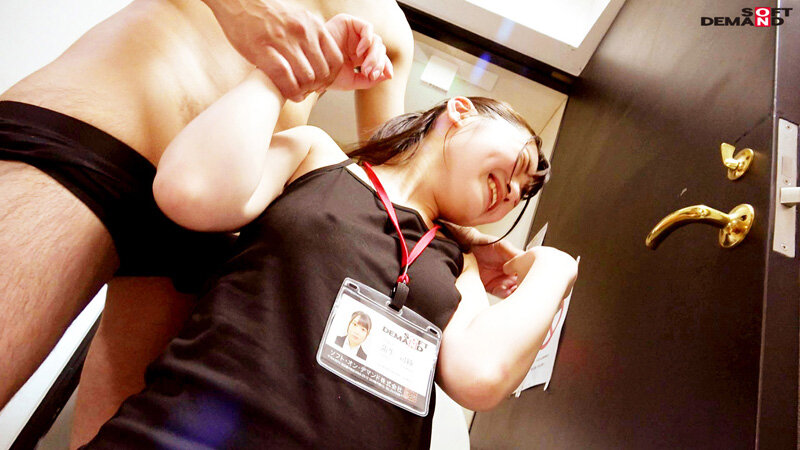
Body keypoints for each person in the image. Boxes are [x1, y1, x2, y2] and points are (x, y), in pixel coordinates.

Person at [79, 37, 579, 446]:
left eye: (523, 194)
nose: (513, 191)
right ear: (461, 111)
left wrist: (555, 267)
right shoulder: (316, 156)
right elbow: (190, 192)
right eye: (522, 164)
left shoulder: (458, 262)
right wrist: (279, 78)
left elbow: (480, 375)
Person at [0, 0, 414, 434]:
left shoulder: (391, 31)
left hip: (212, 225)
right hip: (104, 124)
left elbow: (395, 178)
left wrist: (464, 240)